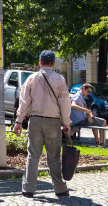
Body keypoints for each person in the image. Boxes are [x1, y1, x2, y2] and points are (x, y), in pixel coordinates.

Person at [14, 50, 72, 198]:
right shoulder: (59, 79)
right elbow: (65, 102)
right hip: (53, 122)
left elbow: (24, 101)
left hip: (35, 120)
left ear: (40, 62)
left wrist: (19, 121)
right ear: (53, 63)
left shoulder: (32, 78)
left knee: (33, 155)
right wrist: (66, 122)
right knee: (53, 156)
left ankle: (28, 189)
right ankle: (59, 188)